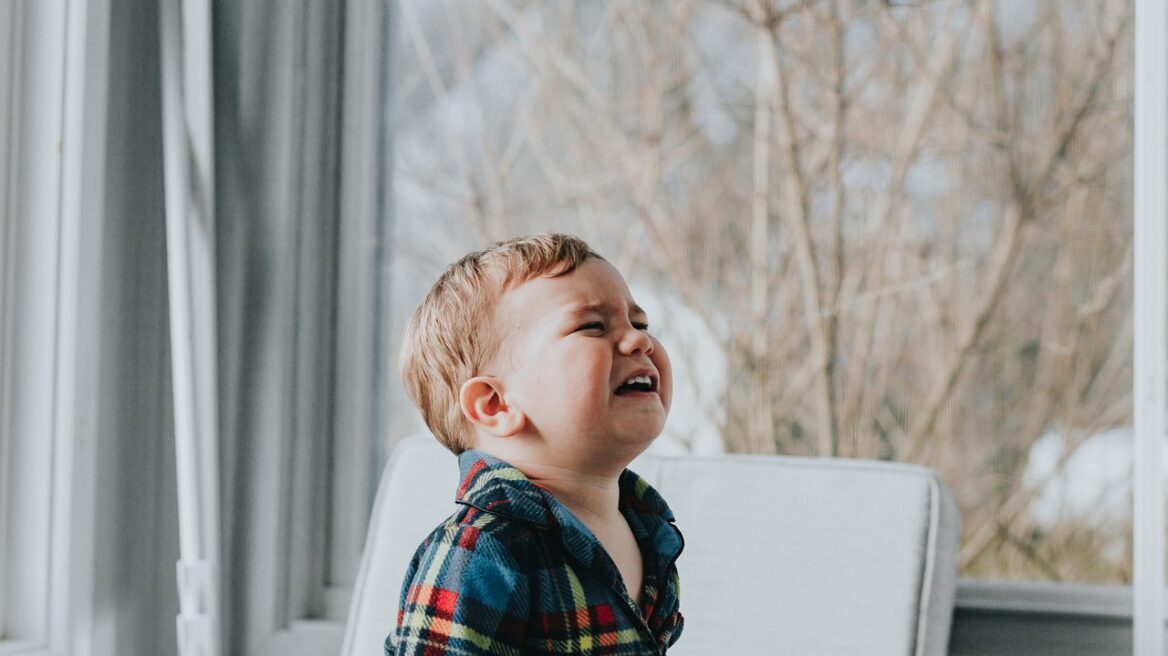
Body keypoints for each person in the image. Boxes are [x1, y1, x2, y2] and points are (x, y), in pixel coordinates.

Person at [386, 233, 685, 655]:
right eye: (593, 326)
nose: (641, 341)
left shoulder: (648, 532)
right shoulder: (479, 550)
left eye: (640, 324)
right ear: (495, 404)